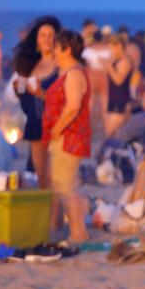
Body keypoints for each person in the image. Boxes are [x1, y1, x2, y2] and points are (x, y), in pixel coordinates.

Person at [41, 30, 91, 244]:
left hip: (68, 138)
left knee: (65, 186)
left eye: (56, 46)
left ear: (66, 49)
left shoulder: (74, 74)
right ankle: (77, 230)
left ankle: (78, 233)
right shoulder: (68, 73)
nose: (52, 50)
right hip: (65, 136)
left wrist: (57, 129)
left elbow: (73, 107)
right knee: (65, 184)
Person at [10, 15, 61, 186]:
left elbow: (64, 97)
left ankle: (56, 212)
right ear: (36, 40)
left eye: (51, 35)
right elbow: (27, 103)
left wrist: (41, 92)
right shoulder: (31, 65)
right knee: (40, 179)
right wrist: (19, 90)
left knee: (55, 178)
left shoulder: (60, 64)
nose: (47, 39)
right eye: (43, 35)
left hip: (55, 125)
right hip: (35, 125)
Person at [91, 156, 145, 234]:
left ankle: (142, 168)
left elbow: (97, 221)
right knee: (138, 197)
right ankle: (142, 168)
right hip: (122, 220)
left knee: (137, 197)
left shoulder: (100, 207)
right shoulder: (99, 209)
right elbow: (97, 221)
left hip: (122, 219)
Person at [104, 34, 134, 138]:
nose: (110, 51)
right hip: (112, 102)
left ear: (119, 46)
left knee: (107, 135)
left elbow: (118, 80)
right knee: (112, 137)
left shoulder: (125, 61)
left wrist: (109, 66)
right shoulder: (115, 61)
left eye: (111, 47)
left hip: (120, 103)